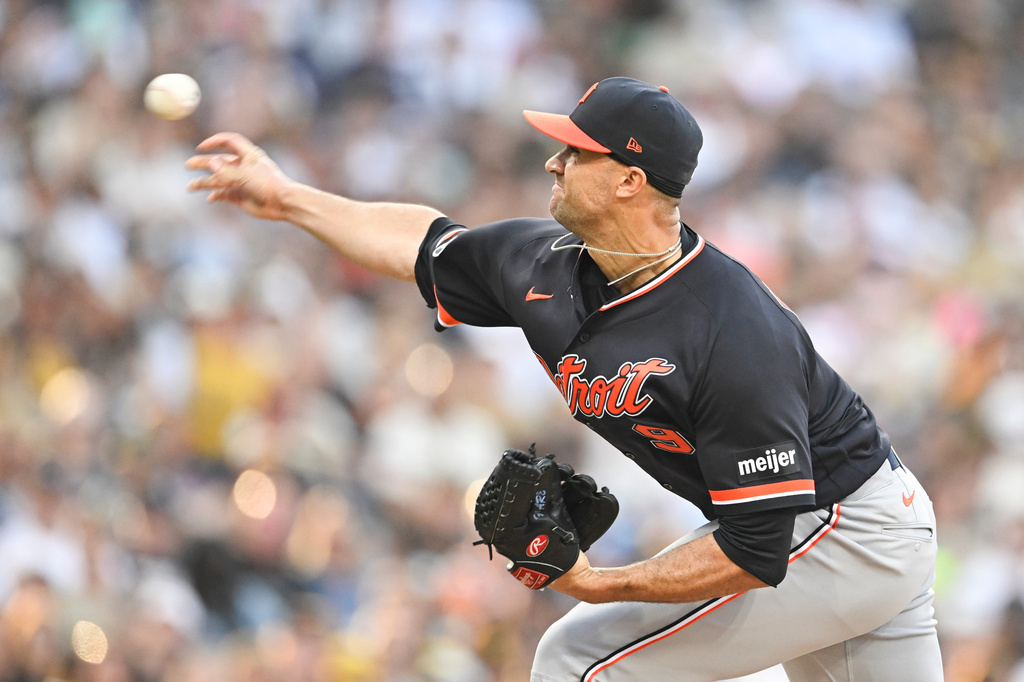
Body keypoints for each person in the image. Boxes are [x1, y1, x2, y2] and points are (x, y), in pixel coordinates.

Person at [186, 77, 942, 681]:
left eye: (577, 152)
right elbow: (426, 243)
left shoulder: (732, 329)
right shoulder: (542, 264)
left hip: (847, 529)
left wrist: (600, 582)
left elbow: (754, 552)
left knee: (579, 659)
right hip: (837, 533)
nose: (554, 161)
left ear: (628, 182)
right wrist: (288, 199)